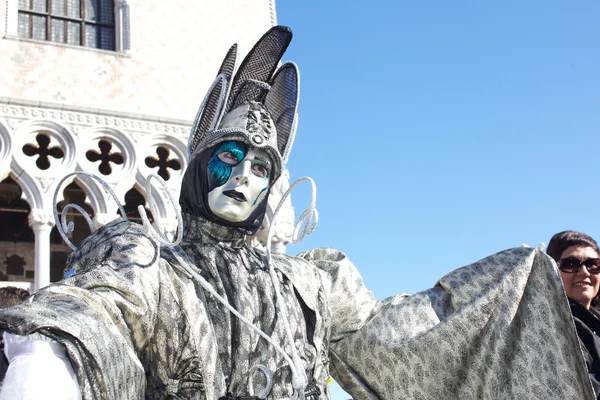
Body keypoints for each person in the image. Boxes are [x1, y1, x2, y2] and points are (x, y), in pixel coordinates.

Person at [0, 26, 594, 399]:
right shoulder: (155, 271)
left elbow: (402, 334)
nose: (243, 178)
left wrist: (504, 287)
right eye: (229, 158)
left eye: (261, 167)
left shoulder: (310, 284)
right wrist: (47, 361)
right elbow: (95, 313)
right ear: (201, 166)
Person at [547, 231, 600, 398]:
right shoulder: (550, 325)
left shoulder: (595, 321)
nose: (584, 272)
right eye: (570, 263)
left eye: (593, 264)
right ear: (551, 271)